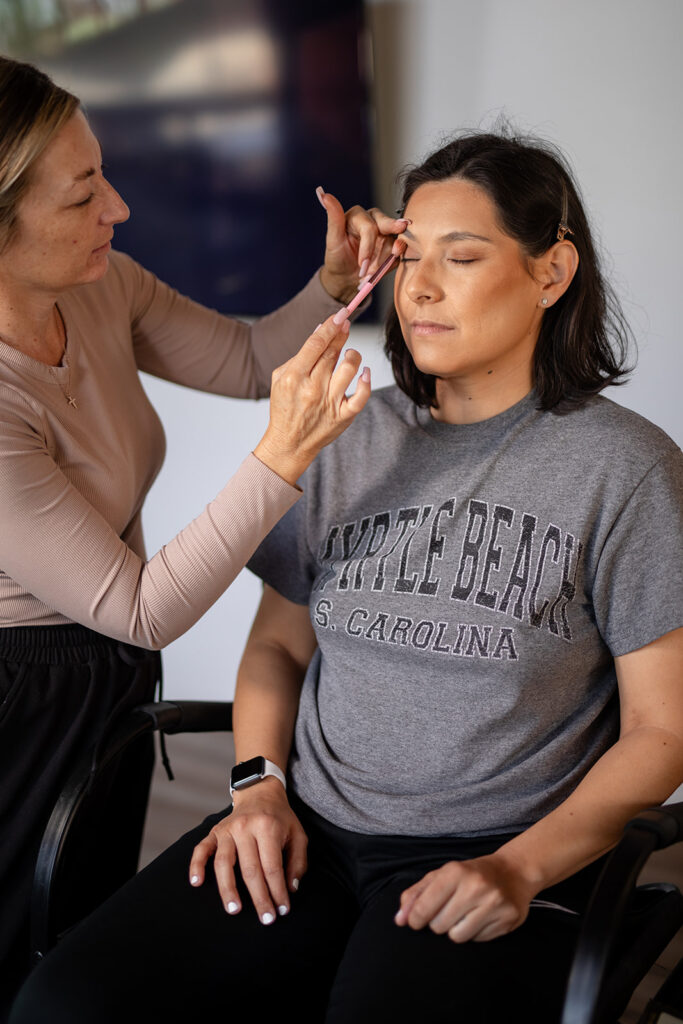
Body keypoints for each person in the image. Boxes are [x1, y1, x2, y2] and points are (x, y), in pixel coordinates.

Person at [10, 128, 683, 1024]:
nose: (421, 287)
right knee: (68, 1001)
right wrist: (256, 786)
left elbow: (661, 732)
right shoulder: (350, 435)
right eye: (405, 256)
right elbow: (279, 647)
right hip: (309, 835)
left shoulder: (625, 469)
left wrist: (517, 868)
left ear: (551, 273)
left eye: (464, 256)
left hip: (491, 846)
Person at [0, 54, 409, 1016]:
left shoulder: (96, 286)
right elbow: (145, 608)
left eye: (101, 172)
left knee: (85, 937)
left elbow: (245, 356)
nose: (118, 210)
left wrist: (333, 282)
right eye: (82, 194)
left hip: (106, 680)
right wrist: (283, 458)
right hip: (16, 694)